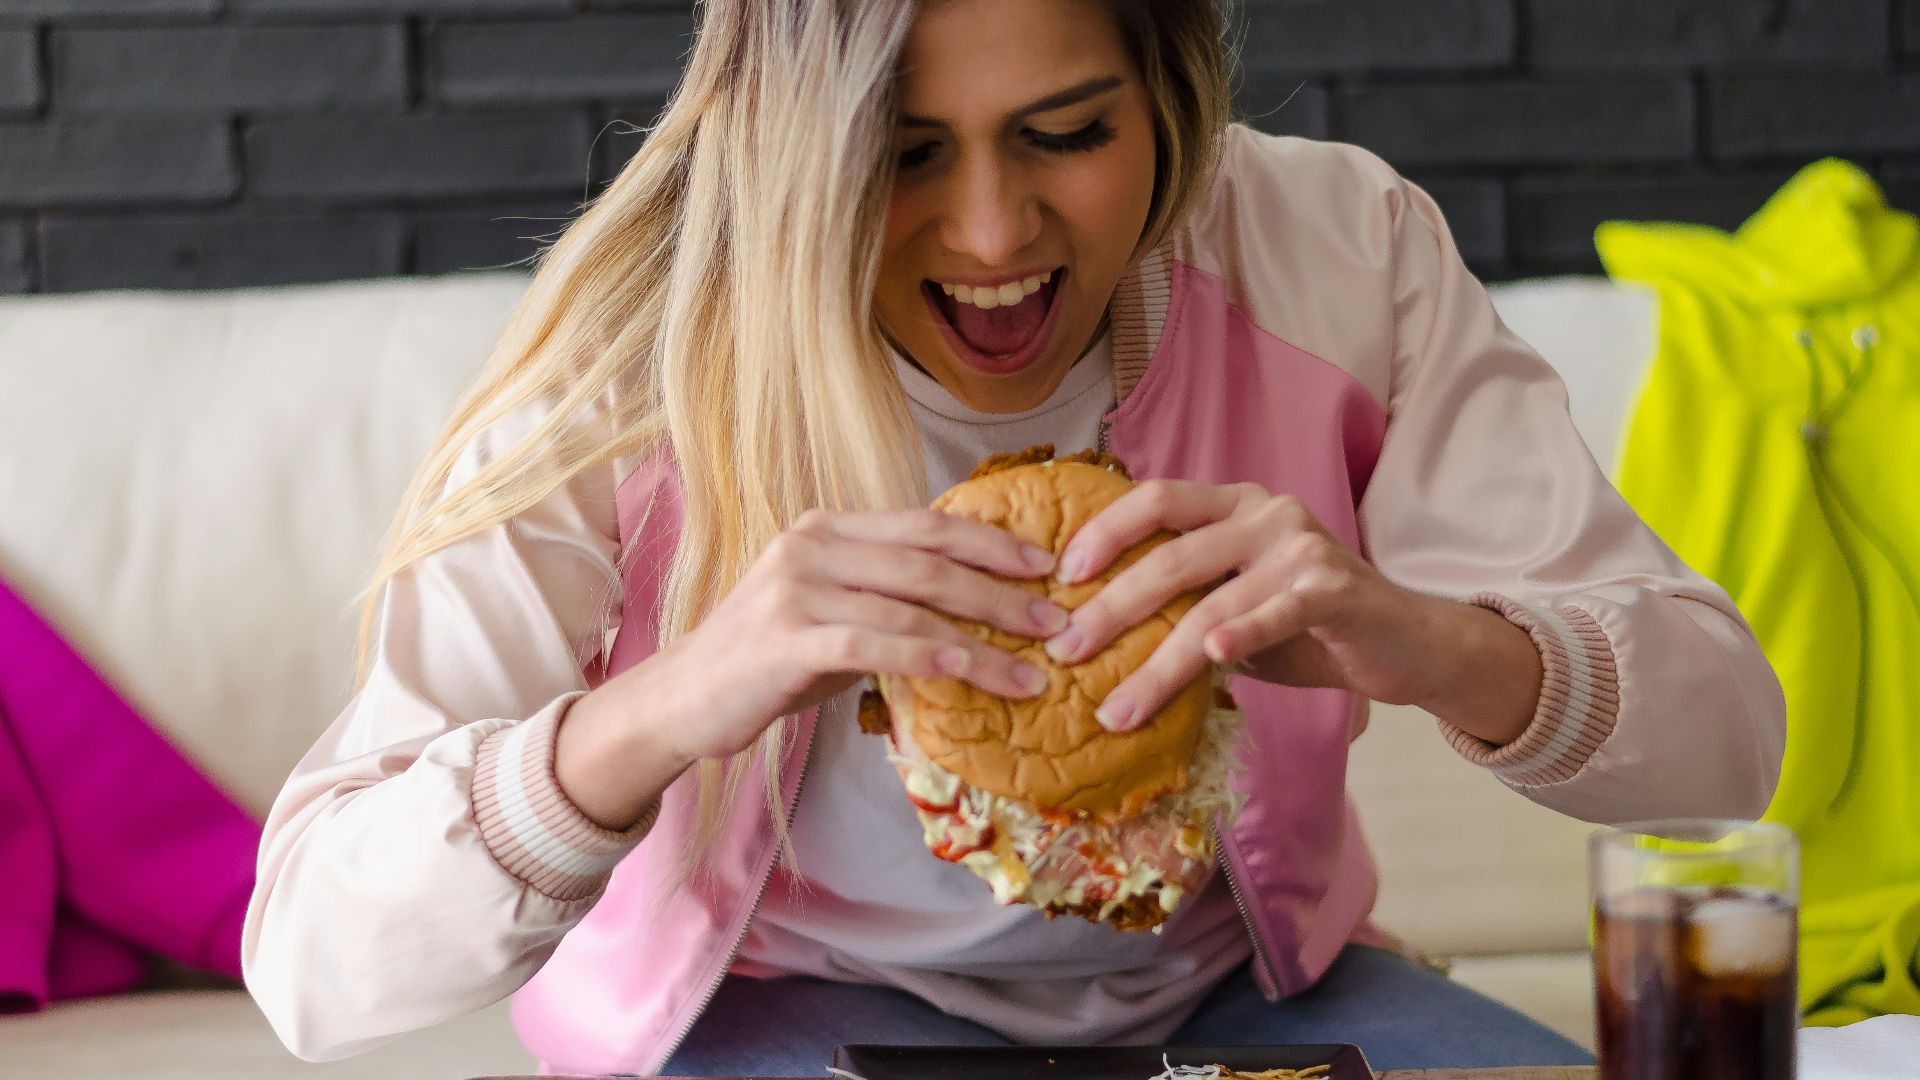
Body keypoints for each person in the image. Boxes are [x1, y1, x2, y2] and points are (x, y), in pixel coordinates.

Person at [242, 0, 1787, 1074]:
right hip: (771, 1020)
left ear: (1170, 96)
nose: (993, 236)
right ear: (784, 138)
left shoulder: (1337, 253)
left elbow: (1727, 754)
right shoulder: (638, 357)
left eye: (1067, 133)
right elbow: (313, 962)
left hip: (1245, 1007)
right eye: (902, 153)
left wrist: (1424, 638)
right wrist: (665, 708)